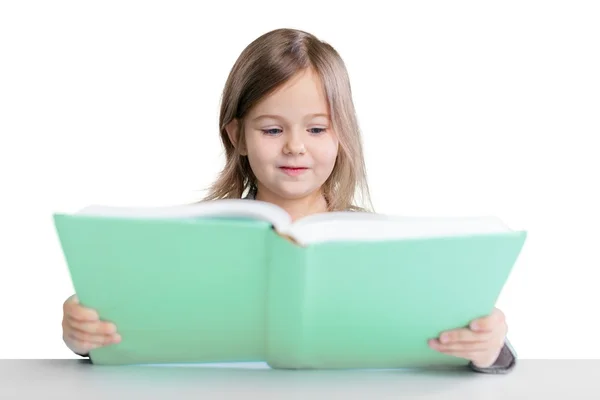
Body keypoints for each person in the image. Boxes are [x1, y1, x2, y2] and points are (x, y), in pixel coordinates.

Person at [62, 28, 517, 374]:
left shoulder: (383, 244)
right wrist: (82, 335)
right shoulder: (191, 239)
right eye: (273, 129)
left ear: (341, 136)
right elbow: (131, 331)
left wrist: (488, 346)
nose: (296, 147)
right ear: (237, 136)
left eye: (317, 129)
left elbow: (491, 358)